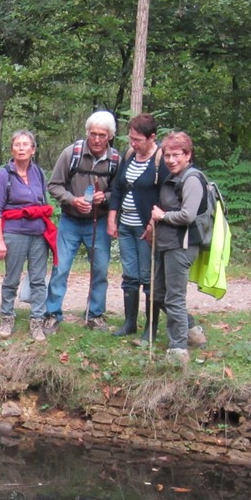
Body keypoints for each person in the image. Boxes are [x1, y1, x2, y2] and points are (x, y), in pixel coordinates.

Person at [45, 111, 120, 333]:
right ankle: (52, 313)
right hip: (71, 220)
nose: (97, 140)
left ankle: (95, 315)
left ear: (110, 136)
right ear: (87, 132)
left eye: (102, 135)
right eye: (93, 134)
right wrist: (73, 200)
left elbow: (120, 191)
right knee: (61, 267)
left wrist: (104, 198)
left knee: (100, 269)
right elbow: (54, 185)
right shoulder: (71, 154)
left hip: (100, 222)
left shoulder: (116, 160)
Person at [0, 129, 57, 342]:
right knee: (11, 278)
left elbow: (43, 202)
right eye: (17, 144)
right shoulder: (4, 174)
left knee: (38, 280)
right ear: (12, 149)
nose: (21, 148)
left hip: (38, 233)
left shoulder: (39, 173)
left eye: (25, 144)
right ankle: (7, 317)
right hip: (13, 233)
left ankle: (37, 321)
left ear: (33, 150)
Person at [106, 113, 169, 338]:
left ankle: (150, 328)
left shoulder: (162, 160)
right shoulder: (130, 155)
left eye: (137, 139)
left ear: (152, 137)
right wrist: (112, 218)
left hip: (147, 230)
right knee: (129, 276)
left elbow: (167, 196)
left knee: (147, 277)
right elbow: (118, 188)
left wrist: (153, 224)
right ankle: (129, 323)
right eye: (131, 138)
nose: (133, 143)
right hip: (126, 226)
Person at [150, 131, 210, 365]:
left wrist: (162, 216)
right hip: (167, 243)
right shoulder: (175, 176)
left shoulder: (192, 179)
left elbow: (188, 215)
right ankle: (192, 330)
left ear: (188, 155)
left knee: (174, 297)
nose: (171, 160)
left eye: (176, 155)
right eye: (167, 155)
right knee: (159, 294)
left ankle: (178, 350)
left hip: (182, 245)